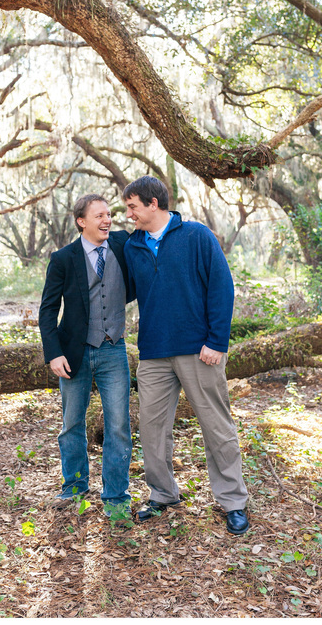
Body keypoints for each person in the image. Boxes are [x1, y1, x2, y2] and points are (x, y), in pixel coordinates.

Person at [121, 176, 250, 534]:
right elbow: (124, 292)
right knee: (152, 429)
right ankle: (163, 494)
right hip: (154, 353)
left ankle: (233, 501)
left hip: (199, 350)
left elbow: (222, 287)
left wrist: (217, 341)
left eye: (132, 206)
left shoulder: (196, 236)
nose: (128, 213)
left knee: (216, 426)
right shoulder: (133, 246)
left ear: (153, 204)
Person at [38, 194, 134, 519]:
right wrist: (53, 354)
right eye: (99, 216)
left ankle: (117, 497)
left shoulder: (123, 245)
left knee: (119, 425)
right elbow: (48, 310)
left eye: (109, 214)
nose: (107, 220)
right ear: (82, 221)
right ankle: (75, 488)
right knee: (72, 424)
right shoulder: (63, 258)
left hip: (114, 350)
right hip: (74, 352)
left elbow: (154, 223)